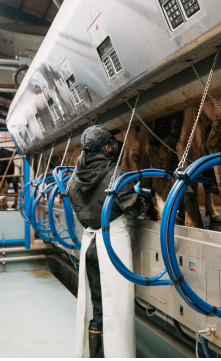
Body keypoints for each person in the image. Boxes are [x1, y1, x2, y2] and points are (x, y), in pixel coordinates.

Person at [67, 125, 146, 358]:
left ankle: (96, 355)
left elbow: (81, 208)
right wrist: (140, 198)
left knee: (98, 306)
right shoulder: (117, 175)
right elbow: (133, 211)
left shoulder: (75, 178)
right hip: (113, 245)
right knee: (118, 308)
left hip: (90, 245)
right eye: (113, 143)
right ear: (108, 147)